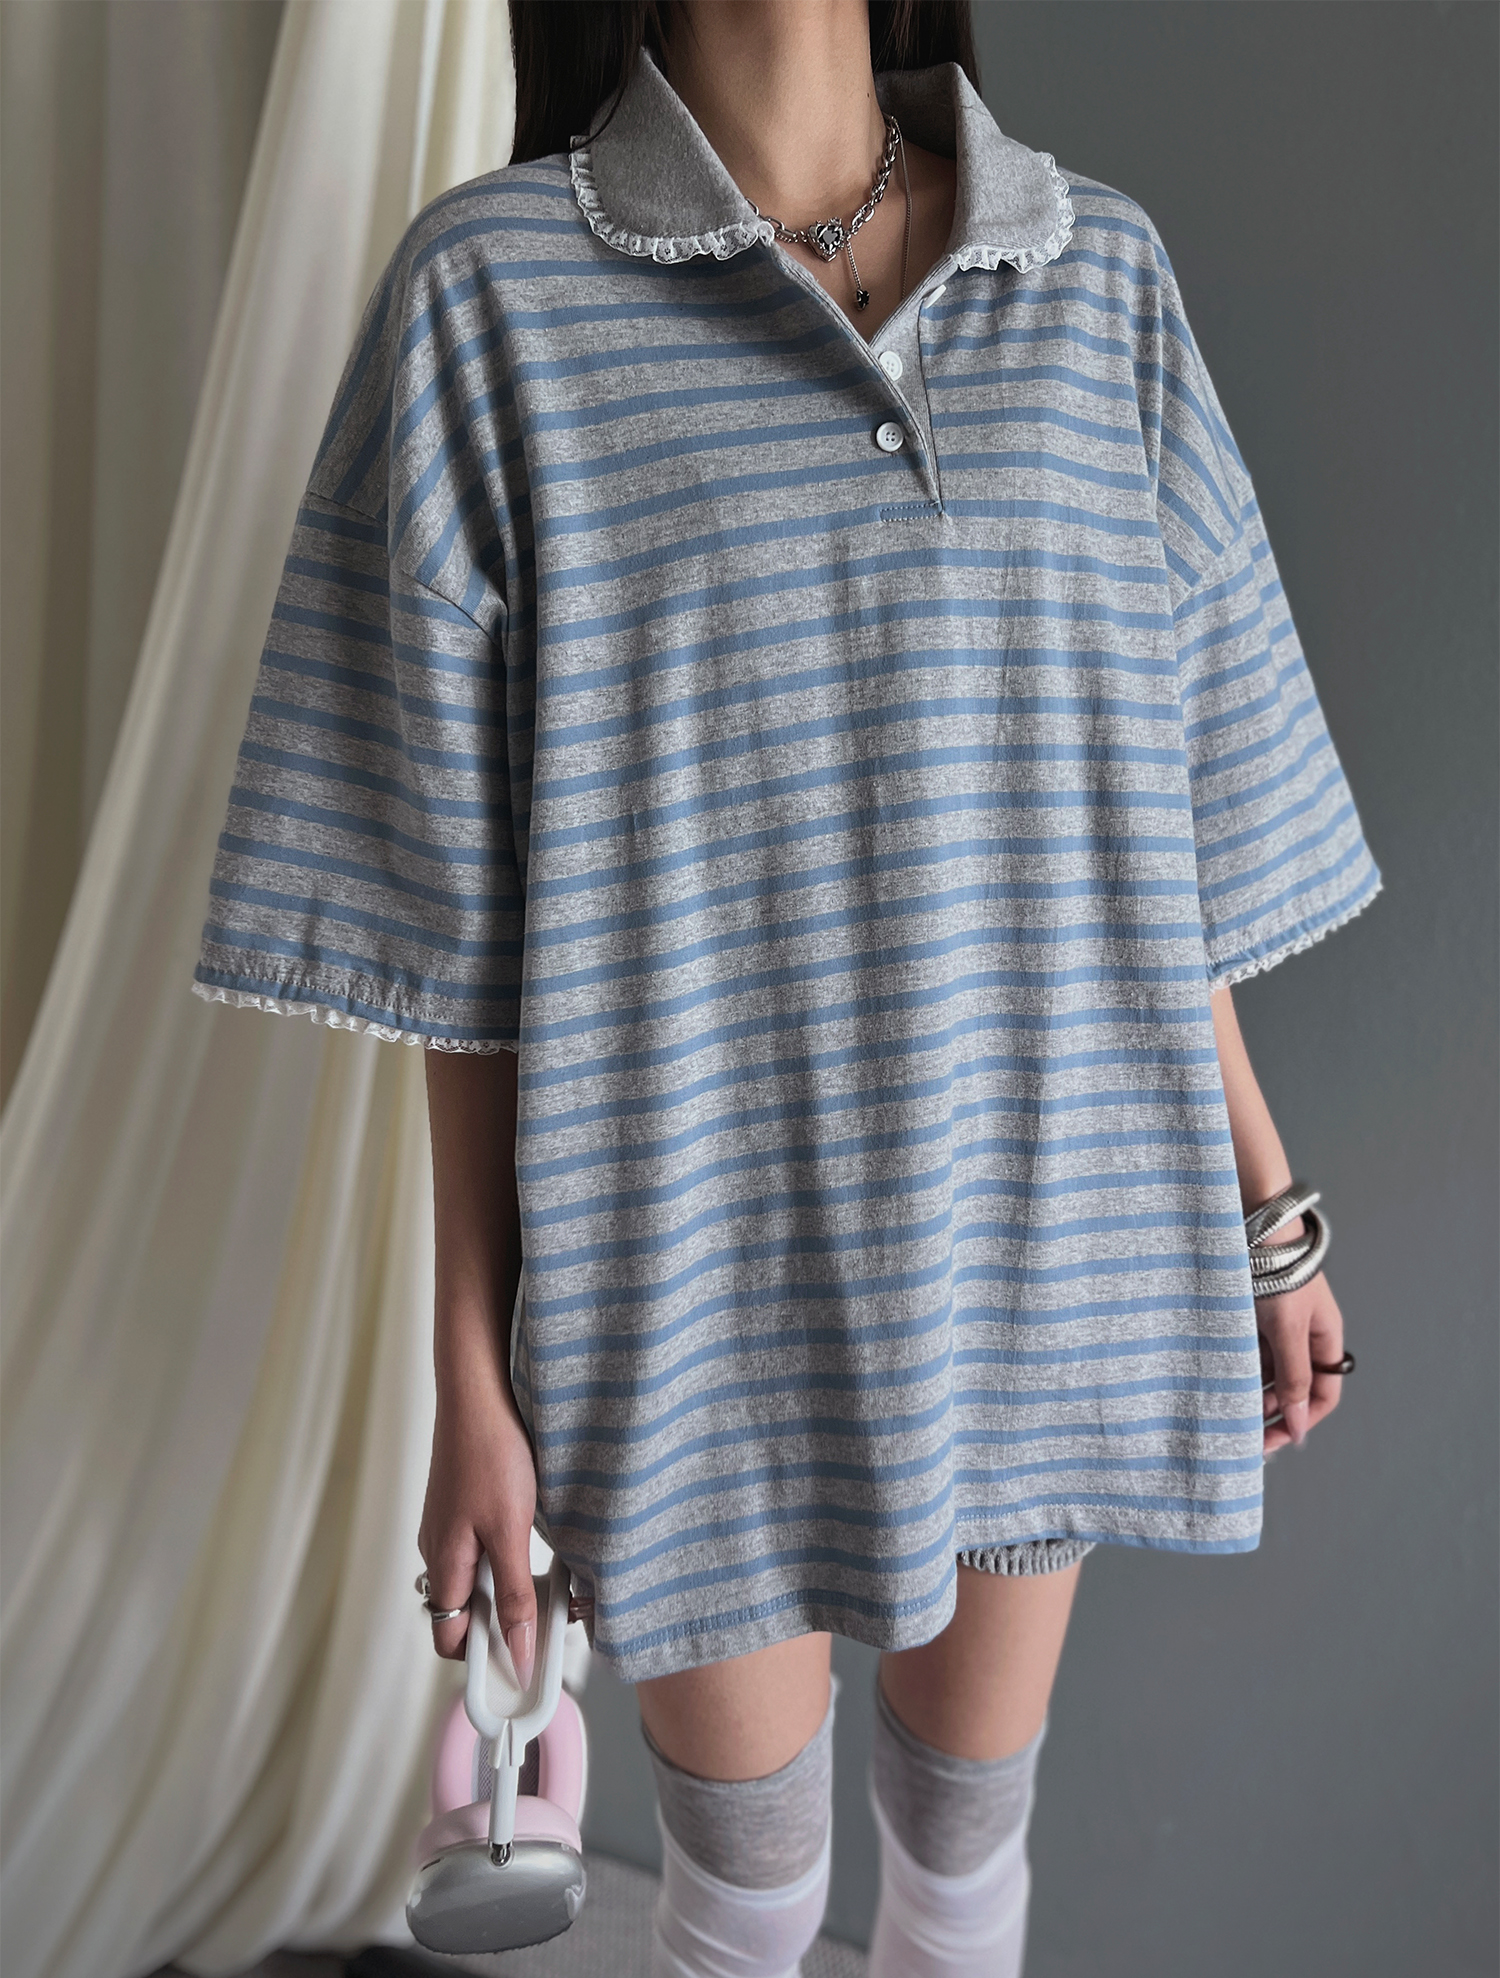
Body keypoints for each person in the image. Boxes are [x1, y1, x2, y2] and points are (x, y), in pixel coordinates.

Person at [190, 1, 1379, 1970]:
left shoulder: (1091, 271)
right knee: (746, 1906)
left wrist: (1264, 1203)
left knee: (964, 1872)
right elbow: (455, 929)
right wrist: (471, 1377)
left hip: (1050, 1223)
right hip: (695, 1266)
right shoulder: (492, 293)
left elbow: (1147, 822)